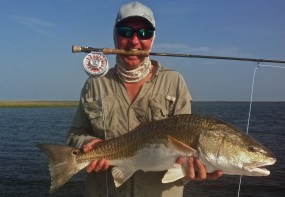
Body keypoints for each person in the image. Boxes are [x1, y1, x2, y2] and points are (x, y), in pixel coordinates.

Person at [67, 2, 222, 197]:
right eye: (125, 32)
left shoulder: (174, 81)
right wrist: (89, 143)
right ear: (114, 37)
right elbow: (75, 134)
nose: (134, 41)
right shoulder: (95, 83)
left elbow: (185, 147)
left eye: (144, 33)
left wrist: (197, 168)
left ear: (152, 39)